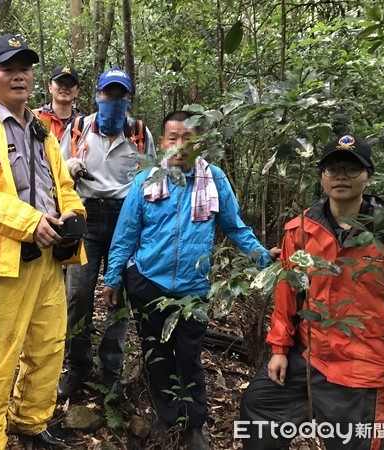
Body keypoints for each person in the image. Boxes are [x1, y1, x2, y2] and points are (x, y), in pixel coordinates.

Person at [101, 110, 277, 449]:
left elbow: (235, 228)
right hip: (148, 284)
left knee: (189, 357)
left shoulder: (214, 180)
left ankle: (195, 422)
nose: (180, 146)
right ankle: (165, 416)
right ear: (162, 141)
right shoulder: (146, 181)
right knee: (156, 355)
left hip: (193, 290)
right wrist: (113, 279)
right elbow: (125, 235)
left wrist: (265, 260)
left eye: (188, 139)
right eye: (173, 138)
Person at [239, 135, 384, 450]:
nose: (342, 177)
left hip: (361, 363)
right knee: (260, 404)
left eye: (351, 169)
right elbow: (288, 292)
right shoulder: (302, 229)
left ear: (368, 175)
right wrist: (279, 350)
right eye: (333, 170)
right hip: (310, 353)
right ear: (322, 177)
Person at [0, 34, 86, 450]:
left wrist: (73, 217)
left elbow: (62, 185)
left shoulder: (43, 132)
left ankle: (30, 422)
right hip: (5, 262)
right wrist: (30, 223)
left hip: (49, 261)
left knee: (47, 348)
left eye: (25, 68)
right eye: (8, 68)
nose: (18, 76)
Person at [59, 66, 156, 399]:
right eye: (107, 94)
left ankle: (111, 373)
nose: (113, 100)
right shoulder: (78, 130)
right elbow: (57, 175)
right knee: (77, 296)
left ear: (128, 99)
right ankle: (77, 367)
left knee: (119, 299)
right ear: (97, 96)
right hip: (86, 216)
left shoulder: (140, 134)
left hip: (125, 220)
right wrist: (70, 170)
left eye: (120, 95)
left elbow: (151, 180)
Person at [35, 65, 82, 141]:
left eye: (70, 84)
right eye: (59, 82)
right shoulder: (36, 118)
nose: (64, 87)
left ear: (77, 91)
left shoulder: (83, 123)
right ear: (50, 87)